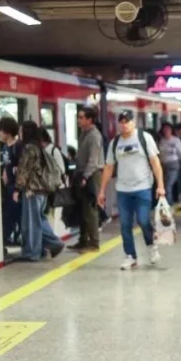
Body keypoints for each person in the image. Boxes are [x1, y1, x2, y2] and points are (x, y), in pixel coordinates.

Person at [98, 109, 166, 270]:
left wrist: (160, 185)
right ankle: (131, 256)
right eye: (121, 122)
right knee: (125, 224)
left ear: (133, 122)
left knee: (143, 220)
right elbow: (108, 167)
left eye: (127, 121)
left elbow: (155, 163)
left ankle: (151, 247)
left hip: (143, 187)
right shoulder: (115, 143)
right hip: (123, 190)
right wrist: (102, 190)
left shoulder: (144, 138)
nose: (124, 125)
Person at [14, 121, 65, 261]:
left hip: (32, 191)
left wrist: (18, 189)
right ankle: (47, 246)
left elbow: (24, 170)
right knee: (40, 220)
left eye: (21, 130)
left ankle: (33, 253)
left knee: (32, 223)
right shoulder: (39, 147)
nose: (19, 133)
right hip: (41, 191)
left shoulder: (30, 149)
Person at [70, 107, 104, 252]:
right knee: (82, 208)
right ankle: (83, 239)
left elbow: (93, 160)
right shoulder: (83, 134)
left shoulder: (94, 136)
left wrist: (85, 176)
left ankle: (94, 242)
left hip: (91, 175)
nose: (79, 120)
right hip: (82, 173)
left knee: (91, 209)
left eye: (82, 117)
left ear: (90, 119)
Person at [0, 116, 22, 248]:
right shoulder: (5, 147)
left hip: (16, 188)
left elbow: (21, 169)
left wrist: (18, 189)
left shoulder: (18, 146)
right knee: (9, 215)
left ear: (7, 132)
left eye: (0, 131)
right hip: (8, 187)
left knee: (14, 215)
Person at [157, 122, 181, 208]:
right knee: (175, 186)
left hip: (174, 166)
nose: (166, 131)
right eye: (165, 130)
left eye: (168, 130)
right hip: (163, 167)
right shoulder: (161, 141)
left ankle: (168, 204)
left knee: (168, 185)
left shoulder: (176, 141)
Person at [38, 126, 67, 228]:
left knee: (49, 212)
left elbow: (61, 169)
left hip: (53, 187)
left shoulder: (53, 150)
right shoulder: (40, 151)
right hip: (44, 187)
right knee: (46, 212)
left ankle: (50, 235)